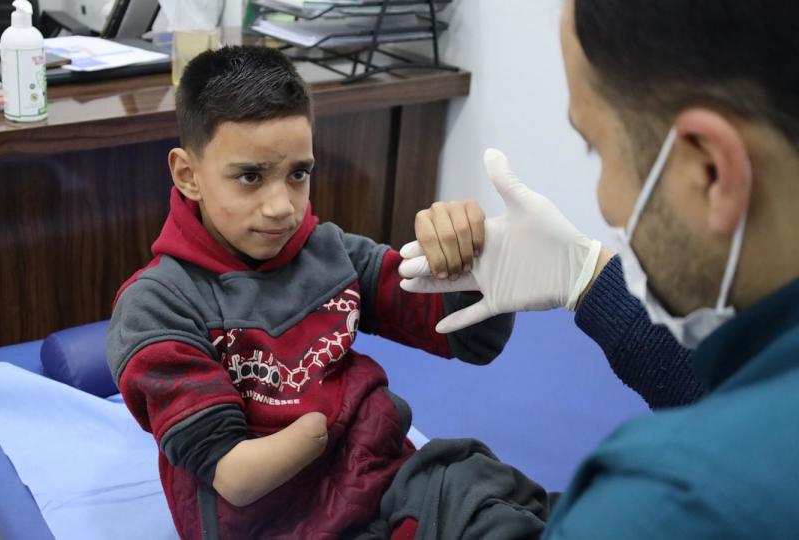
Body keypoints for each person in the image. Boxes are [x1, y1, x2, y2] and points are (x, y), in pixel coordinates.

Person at [106, 45, 553, 539]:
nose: (282, 207)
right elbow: (235, 476)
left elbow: (470, 339)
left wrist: (476, 261)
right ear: (188, 175)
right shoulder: (157, 306)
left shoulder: (330, 252)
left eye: (298, 173)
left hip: (384, 477)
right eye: (250, 177)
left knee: (497, 502)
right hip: (277, 523)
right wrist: (328, 425)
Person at [401, 0, 799, 537]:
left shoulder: (660, 504)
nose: (606, 201)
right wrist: (588, 278)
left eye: (596, 150)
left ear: (709, 170)